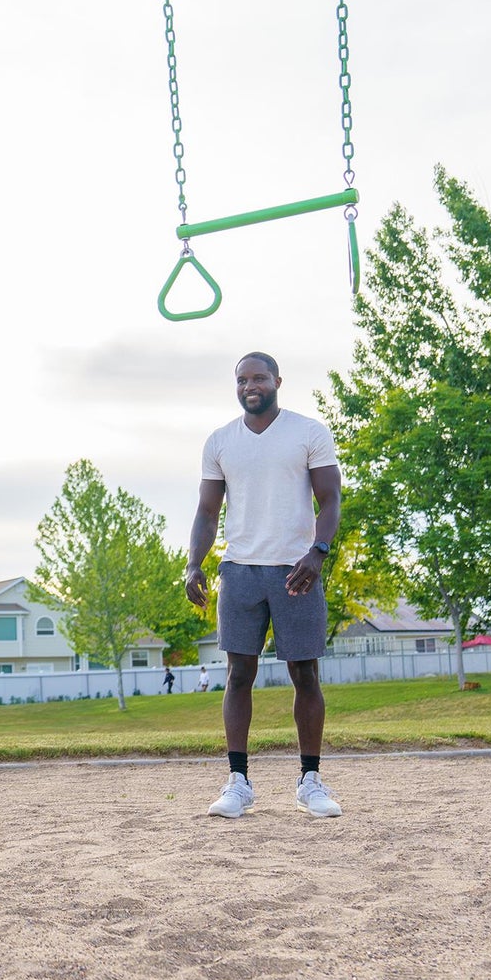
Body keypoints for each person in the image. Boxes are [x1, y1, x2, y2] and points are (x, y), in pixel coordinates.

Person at [186, 352, 343, 821]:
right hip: (240, 571)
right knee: (238, 674)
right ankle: (238, 781)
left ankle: (310, 781)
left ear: (277, 381)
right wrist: (193, 564)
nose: (249, 386)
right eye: (241, 379)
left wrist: (317, 552)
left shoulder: (308, 432)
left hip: (296, 570)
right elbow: (207, 511)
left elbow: (331, 499)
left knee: (305, 674)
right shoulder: (220, 441)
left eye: (258, 378)